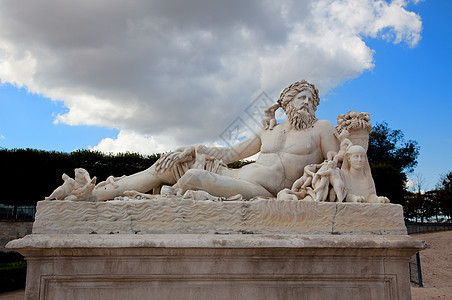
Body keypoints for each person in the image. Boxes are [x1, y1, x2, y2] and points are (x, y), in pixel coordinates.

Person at [92, 80, 340, 201]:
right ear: (286, 103)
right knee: (173, 163)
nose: (306, 102)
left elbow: (338, 164)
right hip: (235, 177)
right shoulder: (268, 130)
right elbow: (231, 154)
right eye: (301, 98)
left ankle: (164, 197)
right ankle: (94, 196)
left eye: (311, 99)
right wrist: (192, 149)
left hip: (265, 191)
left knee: (194, 177)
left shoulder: (322, 129)